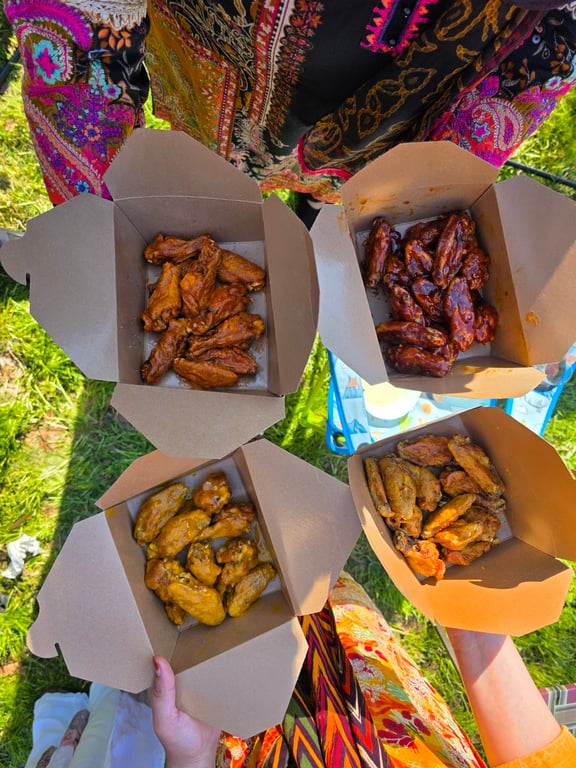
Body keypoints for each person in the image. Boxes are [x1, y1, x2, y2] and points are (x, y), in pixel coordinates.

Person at [4, 0, 576, 212]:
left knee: (343, 195)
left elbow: (556, 32)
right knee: (206, 169)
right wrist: (95, 195)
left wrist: (447, 174)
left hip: (405, 96)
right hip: (218, 72)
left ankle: (315, 220)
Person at [25, 573, 576, 768]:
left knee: (167, 672)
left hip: (246, 743)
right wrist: (471, 625)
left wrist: (192, 756)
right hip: (379, 705)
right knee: (312, 597)